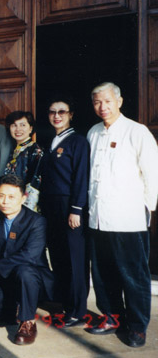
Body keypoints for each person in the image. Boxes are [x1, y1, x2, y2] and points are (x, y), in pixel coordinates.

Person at [85, 82, 158, 348]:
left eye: (107, 101)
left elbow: (152, 174)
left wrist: (145, 211)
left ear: (119, 101)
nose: (102, 107)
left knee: (134, 276)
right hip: (98, 218)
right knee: (104, 273)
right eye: (96, 102)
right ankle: (112, 317)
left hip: (128, 219)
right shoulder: (93, 133)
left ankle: (138, 327)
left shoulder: (136, 132)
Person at [0, 174, 54, 345]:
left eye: (11, 197)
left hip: (32, 278)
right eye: (1, 196)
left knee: (25, 271)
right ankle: (15, 305)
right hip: (5, 278)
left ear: (23, 198)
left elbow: (31, 256)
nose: (5, 201)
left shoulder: (36, 221)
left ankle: (28, 321)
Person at [40, 97, 90, 328]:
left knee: (75, 259)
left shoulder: (77, 142)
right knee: (58, 256)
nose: (56, 116)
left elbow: (81, 177)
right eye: (52, 112)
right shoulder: (51, 140)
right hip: (51, 207)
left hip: (69, 207)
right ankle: (64, 304)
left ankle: (78, 310)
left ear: (71, 115)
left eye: (62, 111)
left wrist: (76, 209)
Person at [4, 111, 43, 210]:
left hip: (25, 206)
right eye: (14, 125)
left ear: (30, 128)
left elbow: (35, 184)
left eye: (23, 125)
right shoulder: (14, 150)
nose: (18, 129)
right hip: (10, 202)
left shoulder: (35, 151)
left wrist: (25, 209)